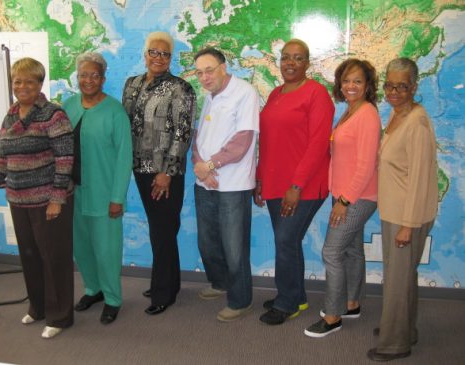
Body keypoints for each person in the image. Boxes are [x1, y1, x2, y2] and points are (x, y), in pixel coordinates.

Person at [0, 58, 74, 339]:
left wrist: (57, 198)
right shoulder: (11, 115)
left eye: (29, 81)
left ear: (40, 84)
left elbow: (66, 159)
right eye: (18, 81)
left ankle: (60, 316)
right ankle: (38, 307)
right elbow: (3, 159)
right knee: (30, 257)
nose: (22, 86)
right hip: (18, 200)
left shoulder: (54, 114)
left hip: (49, 202)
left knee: (54, 259)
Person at [254, 39, 334, 325]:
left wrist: (296, 186)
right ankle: (295, 296)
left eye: (297, 58)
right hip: (276, 183)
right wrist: (260, 178)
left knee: (286, 240)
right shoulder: (276, 93)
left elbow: (317, 145)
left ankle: (287, 302)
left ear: (307, 63)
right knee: (288, 241)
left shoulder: (316, 94)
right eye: (286, 57)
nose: (290, 63)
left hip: (305, 185)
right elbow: (268, 141)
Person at [367, 58, 439, 361]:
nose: (394, 91)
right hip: (394, 211)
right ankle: (403, 328)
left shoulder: (417, 122)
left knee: (397, 280)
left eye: (402, 86)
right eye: (390, 85)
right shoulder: (397, 115)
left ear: (414, 87)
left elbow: (421, 178)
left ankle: (395, 343)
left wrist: (408, 225)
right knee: (401, 275)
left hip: (407, 215)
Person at [304, 59, 381, 337]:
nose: (351, 86)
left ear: (368, 85)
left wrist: (344, 200)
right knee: (351, 250)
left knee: (332, 252)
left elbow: (366, 165)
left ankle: (333, 316)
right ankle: (351, 303)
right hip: (346, 194)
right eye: (346, 80)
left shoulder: (368, 115)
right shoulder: (351, 111)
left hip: (358, 197)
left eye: (357, 81)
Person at [122, 31, 196, 315]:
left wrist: (166, 172)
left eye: (165, 54)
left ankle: (164, 293)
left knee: (164, 230)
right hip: (139, 169)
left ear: (170, 58)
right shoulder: (132, 84)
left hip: (165, 173)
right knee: (159, 228)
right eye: (154, 52)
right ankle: (168, 281)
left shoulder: (181, 89)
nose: (159, 58)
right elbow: (125, 123)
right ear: (145, 54)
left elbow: (182, 133)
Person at [63, 52, 132, 325]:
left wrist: (117, 198)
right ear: (77, 78)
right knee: (82, 248)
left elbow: (125, 157)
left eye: (94, 75)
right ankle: (94, 289)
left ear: (103, 79)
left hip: (104, 195)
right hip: (73, 193)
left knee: (107, 250)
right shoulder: (68, 106)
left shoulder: (115, 111)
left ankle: (113, 299)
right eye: (83, 75)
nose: (88, 80)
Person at [193, 47, 259, 322]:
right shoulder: (209, 96)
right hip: (206, 183)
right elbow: (199, 137)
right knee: (208, 242)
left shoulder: (245, 93)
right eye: (199, 73)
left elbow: (241, 142)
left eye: (209, 70)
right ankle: (219, 283)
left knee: (234, 246)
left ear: (223, 67)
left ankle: (240, 299)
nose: (205, 77)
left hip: (232, 185)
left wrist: (209, 166)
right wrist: (201, 167)